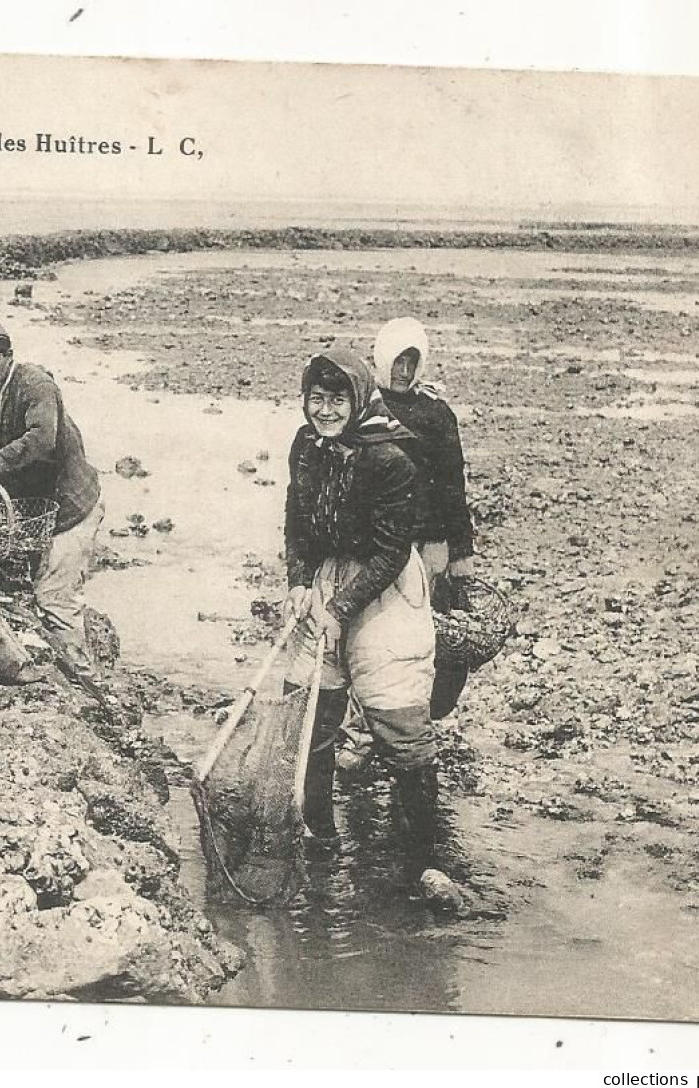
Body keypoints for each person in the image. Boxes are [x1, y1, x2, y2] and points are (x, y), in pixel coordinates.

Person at [283, 347, 447, 891]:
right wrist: (300, 582)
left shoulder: (390, 457)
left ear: (357, 400)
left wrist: (341, 610)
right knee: (311, 711)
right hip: (329, 576)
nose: (324, 411)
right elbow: (297, 522)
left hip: (387, 590)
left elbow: (392, 549)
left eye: (336, 400)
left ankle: (423, 859)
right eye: (316, 399)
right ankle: (319, 835)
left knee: (398, 721)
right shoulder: (306, 447)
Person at [0, 322, 105, 670]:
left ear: (10, 357)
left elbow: (42, 437)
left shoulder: (36, 385)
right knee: (37, 587)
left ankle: (85, 679)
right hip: (42, 509)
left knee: (56, 598)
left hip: (72, 510)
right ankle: (61, 662)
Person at [373, 316, 477, 722]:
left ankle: (420, 715)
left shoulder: (436, 413)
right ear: (383, 359)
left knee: (430, 634)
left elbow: (453, 485)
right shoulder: (366, 407)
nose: (402, 372)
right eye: (397, 361)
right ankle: (374, 717)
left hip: (430, 543)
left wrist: (461, 551)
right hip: (381, 542)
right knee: (378, 633)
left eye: (410, 363)